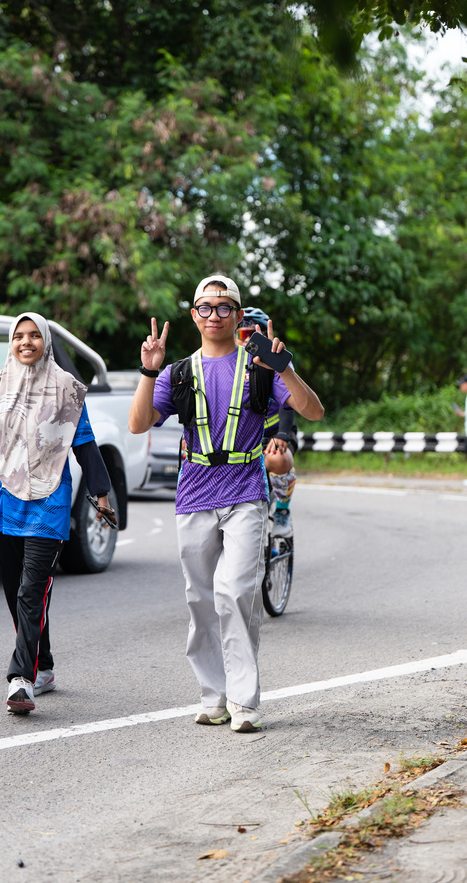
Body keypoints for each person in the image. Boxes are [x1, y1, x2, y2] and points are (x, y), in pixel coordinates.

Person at [129, 274, 324, 732]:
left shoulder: (259, 368)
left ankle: (244, 700)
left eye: (223, 307)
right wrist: (149, 370)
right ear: (194, 315)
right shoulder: (178, 372)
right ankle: (213, 696)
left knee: (236, 592)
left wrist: (284, 367)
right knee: (200, 599)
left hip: (246, 493)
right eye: (205, 307)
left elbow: (313, 410)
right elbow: (138, 424)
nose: (214, 315)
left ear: (237, 316)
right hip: (195, 494)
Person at [0, 312, 114, 715]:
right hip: (7, 497)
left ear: (46, 341)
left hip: (50, 499)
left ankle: (21, 679)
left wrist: (102, 496)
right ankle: (44, 667)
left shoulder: (67, 388)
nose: (26, 342)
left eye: (34, 335)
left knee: (31, 590)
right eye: (19, 335)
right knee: (14, 590)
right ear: (11, 342)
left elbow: (85, 444)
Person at [237, 307, 298, 539]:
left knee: (278, 457)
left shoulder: (275, 359)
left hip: (274, 431)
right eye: (242, 334)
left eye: (254, 335)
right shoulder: (227, 360)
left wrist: (282, 434)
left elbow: (288, 403)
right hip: (241, 436)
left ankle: (282, 511)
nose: (247, 341)